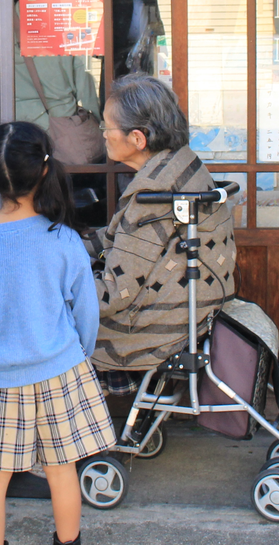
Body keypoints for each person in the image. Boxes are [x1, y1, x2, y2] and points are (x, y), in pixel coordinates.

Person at [0, 121, 114, 545]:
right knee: (62, 471)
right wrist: (75, 353)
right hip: (59, 370)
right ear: (45, 169)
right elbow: (86, 313)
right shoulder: (63, 238)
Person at [89, 74, 236, 391]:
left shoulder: (154, 193)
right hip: (195, 312)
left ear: (137, 139)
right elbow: (131, 245)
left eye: (106, 127)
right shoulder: (182, 164)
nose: (102, 135)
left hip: (152, 331)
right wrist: (72, 243)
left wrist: (57, 290)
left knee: (36, 327)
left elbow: (117, 293)